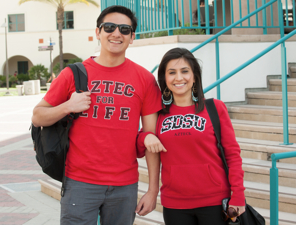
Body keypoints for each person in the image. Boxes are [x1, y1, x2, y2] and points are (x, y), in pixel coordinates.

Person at [31, 5, 162, 225]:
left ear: (132, 38)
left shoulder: (145, 79)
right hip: (80, 182)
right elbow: (37, 116)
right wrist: (68, 106)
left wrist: (152, 190)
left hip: (124, 184)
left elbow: (151, 139)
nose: (116, 33)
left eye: (124, 29)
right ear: (98, 33)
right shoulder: (73, 73)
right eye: (109, 27)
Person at [136, 48, 246, 225]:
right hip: (174, 203)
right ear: (165, 79)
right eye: (172, 72)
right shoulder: (158, 115)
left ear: (194, 76)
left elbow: (233, 155)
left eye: (185, 71)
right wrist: (146, 137)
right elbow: (139, 147)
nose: (179, 78)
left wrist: (238, 195)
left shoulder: (215, 108)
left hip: (215, 201)